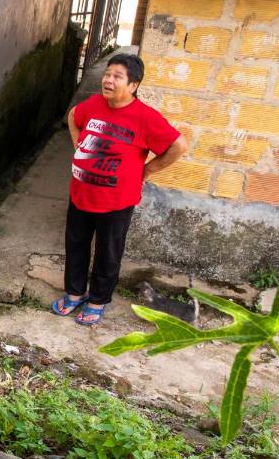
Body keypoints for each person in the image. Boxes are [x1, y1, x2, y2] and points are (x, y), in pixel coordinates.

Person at [52, 54, 188, 325]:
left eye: (117, 76)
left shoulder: (145, 117)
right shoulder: (94, 104)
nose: (108, 80)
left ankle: (97, 300)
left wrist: (148, 170)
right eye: (107, 74)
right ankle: (74, 293)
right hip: (81, 194)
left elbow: (178, 146)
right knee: (76, 245)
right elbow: (73, 116)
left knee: (108, 252)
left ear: (133, 85)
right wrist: (78, 144)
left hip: (116, 202)